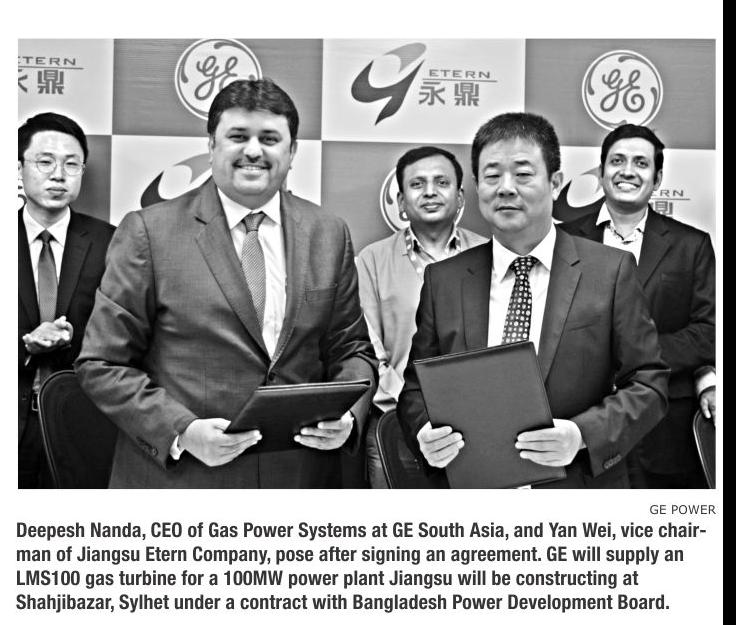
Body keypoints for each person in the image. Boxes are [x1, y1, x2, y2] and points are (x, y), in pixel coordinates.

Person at [76, 78, 376, 488]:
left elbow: (352, 350)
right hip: (184, 483)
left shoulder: (328, 233)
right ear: (211, 145)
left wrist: (347, 417)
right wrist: (181, 430)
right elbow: (102, 363)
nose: (253, 150)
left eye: (269, 138)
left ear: (292, 152)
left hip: (298, 479)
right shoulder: (149, 232)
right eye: (238, 136)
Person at [397, 112, 670, 488]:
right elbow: (416, 388)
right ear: (476, 186)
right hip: (473, 491)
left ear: (555, 183)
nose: (506, 188)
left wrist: (582, 435)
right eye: (492, 176)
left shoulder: (610, 271)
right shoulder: (444, 279)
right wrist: (424, 432)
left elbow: (649, 383)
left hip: (578, 493)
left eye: (523, 174)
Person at [561, 124, 715, 488]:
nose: (627, 171)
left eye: (641, 163)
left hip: (665, 428)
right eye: (617, 161)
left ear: (657, 179)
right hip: (582, 426)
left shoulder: (690, 245)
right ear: (601, 172)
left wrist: (634, 356)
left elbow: (708, 332)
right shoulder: (563, 240)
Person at [356, 146, 487, 487]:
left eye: (441, 182)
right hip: (393, 423)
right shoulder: (371, 260)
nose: (430, 192)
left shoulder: (489, 255)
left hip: (478, 423)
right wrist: (413, 408)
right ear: (401, 202)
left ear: (460, 197)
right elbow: (368, 350)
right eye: (417, 184)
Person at [18, 112, 115, 488]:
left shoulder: (113, 242)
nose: (58, 175)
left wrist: (76, 340)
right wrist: (25, 345)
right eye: (45, 162)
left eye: (71, 164)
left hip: (82, 422)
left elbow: (130, 335)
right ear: (19, 168)